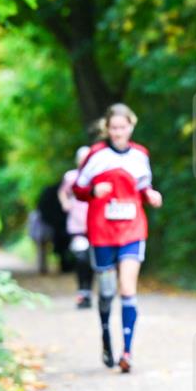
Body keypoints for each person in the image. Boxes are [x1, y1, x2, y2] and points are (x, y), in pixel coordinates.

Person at [73, 103, 163, 373]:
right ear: (107, 129)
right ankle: (105, 336)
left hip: (132, 229)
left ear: (131, 127)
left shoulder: (140, 155)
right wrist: (92, 191)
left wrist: (150, 195)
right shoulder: (96, 155)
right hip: (101, 230)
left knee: (127, 288)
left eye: (122, 127)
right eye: (113, 128)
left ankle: (127, 351)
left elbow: (143, 185)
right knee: (107, 292)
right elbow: (77, 188)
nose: (118, 132)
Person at [58, 145, 94, 308]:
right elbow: (62, 192)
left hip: (95, 225)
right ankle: (82, 292)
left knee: (92, 260)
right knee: (81, 258)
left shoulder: (96, 177)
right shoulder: (71, 177)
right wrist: (65, 203)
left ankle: (88, 292)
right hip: (77, 225)